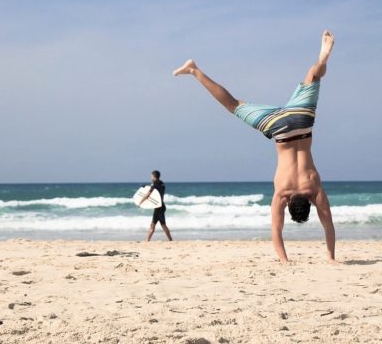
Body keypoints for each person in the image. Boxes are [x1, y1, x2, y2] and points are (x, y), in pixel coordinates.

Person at [173, 30, 337, 264]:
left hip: (301, 121)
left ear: (308, 203)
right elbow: (276, 230)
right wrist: (284, 260)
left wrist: (331, 257)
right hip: (278, 129)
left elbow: (328, 224)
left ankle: (321, 60)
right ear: (289, 204)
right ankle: (194, 71)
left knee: (313, 75)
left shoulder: (314, 189)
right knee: (234, 105)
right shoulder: (283, 193)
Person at [139, 170, 173, 242]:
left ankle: (170, 240)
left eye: (151, 176)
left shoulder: (154, 184)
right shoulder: (162, 183)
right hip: (161, 206)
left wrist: (140, 202)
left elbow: (148, 194)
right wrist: (146, 187)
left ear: (154, 176)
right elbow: (157, 191)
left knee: (158, 224)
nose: (150, 177)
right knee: (157, 224)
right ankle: (148, 240)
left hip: (158, 207)